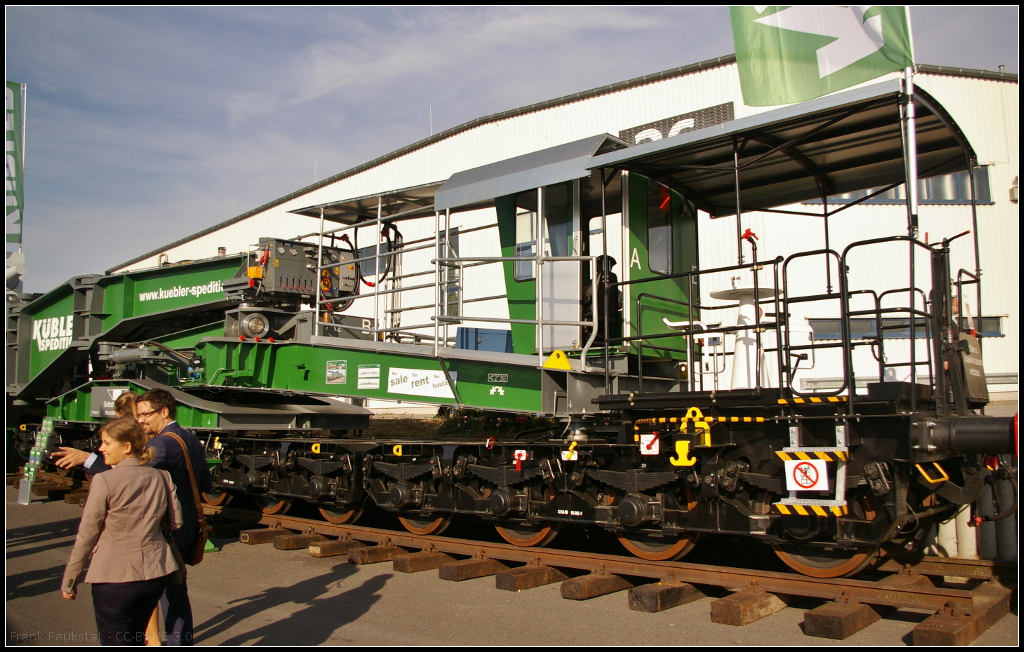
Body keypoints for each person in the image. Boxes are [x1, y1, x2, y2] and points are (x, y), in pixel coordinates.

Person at [54, 389, 213, 646]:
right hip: (182, 529)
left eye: (145, 414)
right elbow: (204, 481)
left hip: (155, 539)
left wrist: (89, 459)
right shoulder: (190, 439)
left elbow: (126, 475)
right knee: (177, 596)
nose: (140, 420)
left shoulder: (160, 444)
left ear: (164, 412)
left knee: (162, 603)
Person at [61, 417, 182, 646]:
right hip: (154, 574)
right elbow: (175, 522)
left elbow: (87, 535)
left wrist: (71, 578)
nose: (100, 448)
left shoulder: (105, 480)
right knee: (137, 638)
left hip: (114, 578)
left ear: (126, 446)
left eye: (106, 443)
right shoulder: (162, 477)